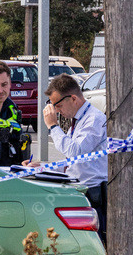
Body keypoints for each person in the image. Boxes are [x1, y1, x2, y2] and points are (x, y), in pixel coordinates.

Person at [40, 73, 108, 244]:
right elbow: (73, 163)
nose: (57, 111)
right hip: (81, 191)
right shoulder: (79, 120)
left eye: (58, 105)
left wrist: (53, 126)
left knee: (94, 244)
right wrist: (42, 167)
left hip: (92, 194)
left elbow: (76, 152)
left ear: (73, 99)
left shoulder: (94, 120)